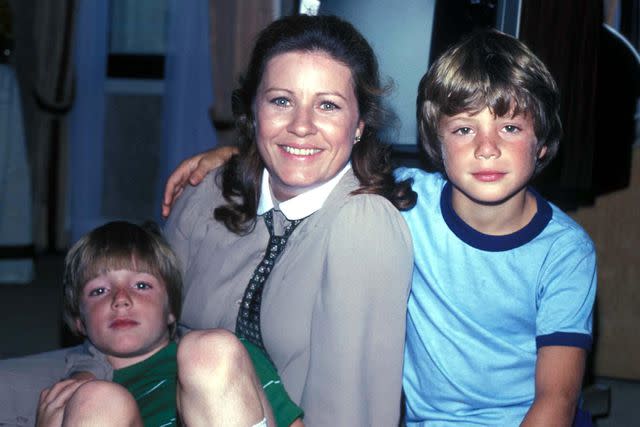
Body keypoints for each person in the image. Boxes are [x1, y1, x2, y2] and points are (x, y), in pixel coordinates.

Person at [163, 29, 596, 426]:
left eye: (510, 128)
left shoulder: (565, 252)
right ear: (436, 143)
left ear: (541, 143)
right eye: (464, 129)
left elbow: (556, 398)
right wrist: (228, 158)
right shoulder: (409, 201)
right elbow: (307, 159)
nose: (487, 148)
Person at [164, 13, 416, 426]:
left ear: (360, 125)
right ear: (253, 111)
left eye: (328, 105)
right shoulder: (204, 192)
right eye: (281, 101)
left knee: (208, 356)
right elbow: (142, 330)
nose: (301, 126)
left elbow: (350, 411)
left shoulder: (363, 225)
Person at [2, 221, 303, 427]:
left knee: (210, 350)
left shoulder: (226, 357)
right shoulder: (72, 391)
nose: (121, 300)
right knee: (94, 400)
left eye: (142, 286)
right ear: (78, 321)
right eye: (99, 291)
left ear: (171, 309)